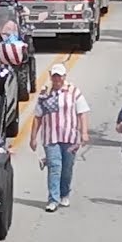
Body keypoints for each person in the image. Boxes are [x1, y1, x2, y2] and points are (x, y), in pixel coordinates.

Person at [30, 63, 90, 212]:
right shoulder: (45, 94)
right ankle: (53, 199)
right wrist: (33, 138)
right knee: (54, 167)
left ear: (64, 76)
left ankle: (64, 194)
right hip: (51, 138)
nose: (57, 79)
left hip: (70, 137)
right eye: (55, 76)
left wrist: (84, 132)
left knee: (67, 168)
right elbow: (37, 116)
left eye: (60, 76)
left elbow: (82, 113)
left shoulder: (74, 92)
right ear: (51, 76)